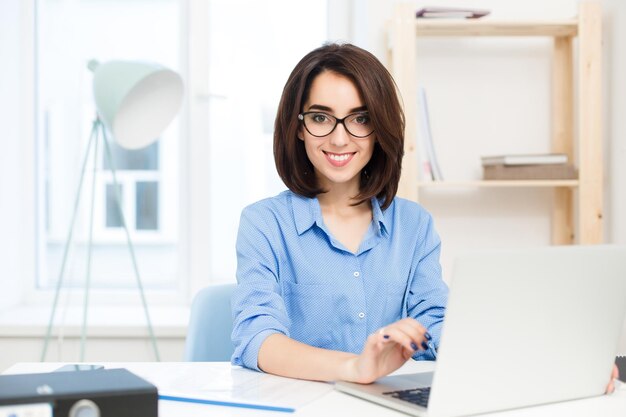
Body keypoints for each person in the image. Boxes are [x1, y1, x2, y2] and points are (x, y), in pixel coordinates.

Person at [230, 42, 619, 390]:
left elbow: (439, 324)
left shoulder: (413, 225)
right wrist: (356, 367)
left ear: (379, 128)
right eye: (320, 117)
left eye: (360, 118)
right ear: (298, 128)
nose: (339, 138)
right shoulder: (264, 224)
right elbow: (258, 339)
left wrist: (546, 366)